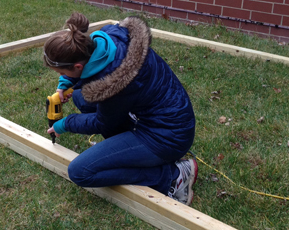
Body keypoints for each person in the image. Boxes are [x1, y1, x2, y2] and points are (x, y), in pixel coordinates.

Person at [44, 13, 198, 205]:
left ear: (77, 65)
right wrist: (65, 83)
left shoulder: (115, 83)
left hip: (167, 137)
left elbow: (102, 123)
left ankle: (173, 175)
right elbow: (85, 67)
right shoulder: (107, 39)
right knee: (79, 96)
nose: (61, 75)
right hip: (163, 116)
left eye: (61, 72)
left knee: (80, 172)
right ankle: (129, 151)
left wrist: (65, 124)